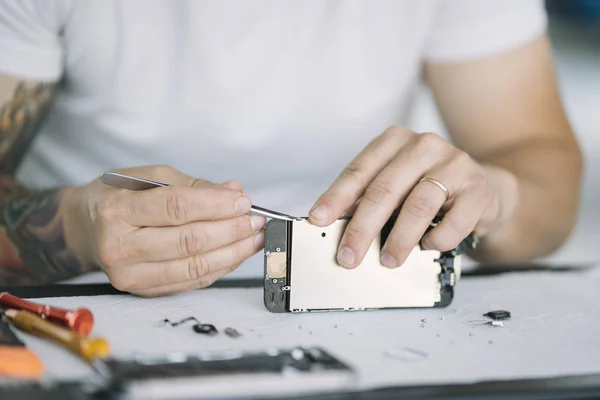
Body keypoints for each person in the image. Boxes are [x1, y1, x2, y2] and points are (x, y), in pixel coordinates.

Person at [0, 0, 582, 296]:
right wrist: (76, 229)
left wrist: (496, 196)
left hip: (363, 317)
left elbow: (545, 175)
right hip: (81, 308)